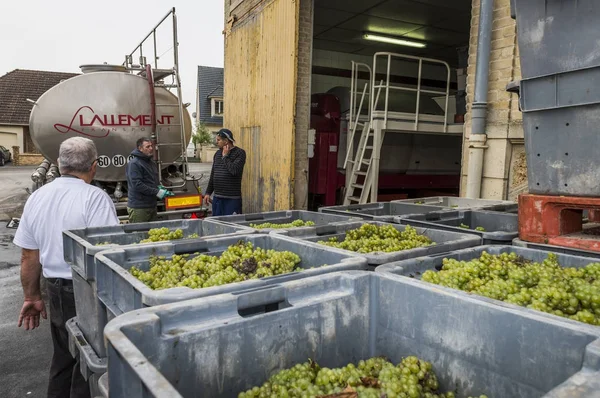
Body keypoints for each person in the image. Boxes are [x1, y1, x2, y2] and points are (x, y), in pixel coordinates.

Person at [13, 137, 120, 398]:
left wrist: (32, 296)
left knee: (63, 357)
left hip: (55, 291)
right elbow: (108, 251)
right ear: (94, 166)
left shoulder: (38, 197)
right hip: (86, 291)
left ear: (59, 163)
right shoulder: (95, 198)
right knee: (88, 362)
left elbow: (29, 256)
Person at [126, 137, 172, 223]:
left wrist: (161, 189)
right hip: (139, 207)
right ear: (140, 148)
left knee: (152, 234)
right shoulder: (134, 164)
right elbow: (137, 185)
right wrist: (157, 192)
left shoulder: (151, 163)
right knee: (140, 234)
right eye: (147, 147)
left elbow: (154, 181)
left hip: (151, 205)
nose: (151, 149)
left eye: (151, 146)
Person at [203, 128, 246, 216]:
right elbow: (213, 175)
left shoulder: (240, 153)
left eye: (218, 140)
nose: (216, 142)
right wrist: (208, 193)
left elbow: (234, 171)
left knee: (232, 225)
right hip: (218, 199)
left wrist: (225, 157)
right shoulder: (217, 154)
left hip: (232, 199)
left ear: (226, 141)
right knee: (217, 225)